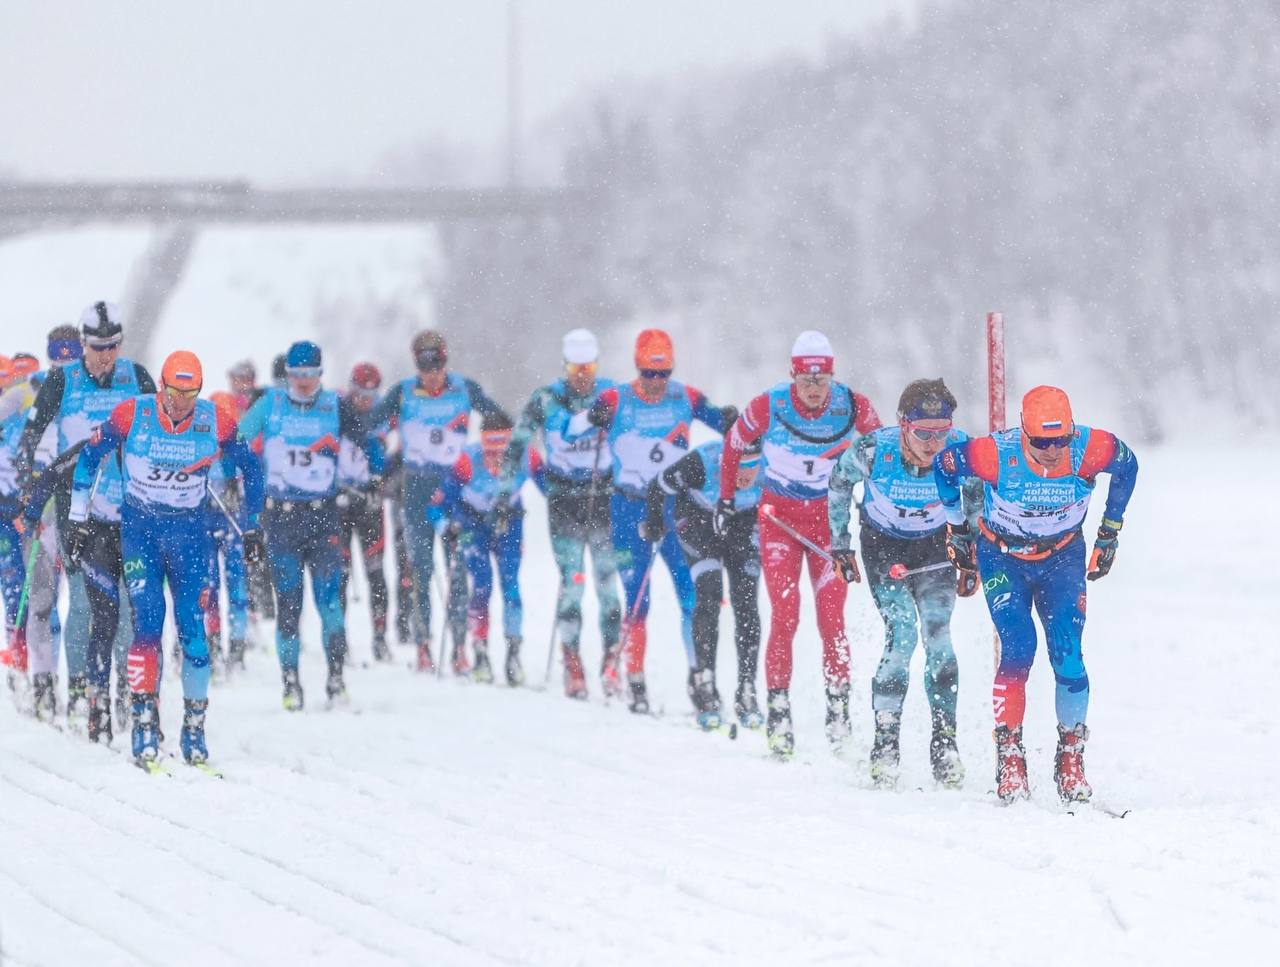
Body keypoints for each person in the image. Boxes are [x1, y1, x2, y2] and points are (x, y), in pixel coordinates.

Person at [934, 385, 1138, 804]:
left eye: (1060, 440)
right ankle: (1010, 754)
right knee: (1018, 647)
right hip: (1002, 557)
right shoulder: (995, 454)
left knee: (1068, 654)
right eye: (1042, 443)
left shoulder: (1091, 447)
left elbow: (1128, 465)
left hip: (1062, 558)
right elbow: (944, 465)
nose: (1052, 451)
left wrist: (1110, 532)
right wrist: (956, 528)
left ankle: (1071, 755)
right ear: (1024, 433)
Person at [69, 351, 264, 765]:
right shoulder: (132, 414)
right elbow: (88, 457)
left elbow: (252, 467)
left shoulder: (215, 420)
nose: (180, 404)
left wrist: (252, 526)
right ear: (161, 386)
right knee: (148, 625)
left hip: (189, 538)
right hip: (141, 534)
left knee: (193, 631)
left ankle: (194, 729)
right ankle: (143, 723)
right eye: (174, 393)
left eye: (190, 395)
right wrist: (77, 517)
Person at [719, 330, 882, 758]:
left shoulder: (853, 405)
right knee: (785, 614)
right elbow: (733, 445)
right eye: (806, 380)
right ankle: (778, 714)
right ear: (793, 376)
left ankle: (838, 712)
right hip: (780, 524)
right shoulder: (769, 404)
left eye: (821, 380)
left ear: (832, 377)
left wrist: (881, 503)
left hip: (829, 527)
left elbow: (885, 452)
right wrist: (725, 500)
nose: (813, 389)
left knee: (832, 620)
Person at [566, 328, 737, 714]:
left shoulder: (686, 397)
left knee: (691, 597)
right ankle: (636, 681)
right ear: (637, 368)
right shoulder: (616, 398)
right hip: (628, 511)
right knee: (637, 601)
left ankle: (699, 677)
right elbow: (571, 431)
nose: (657, 382)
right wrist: (591, 415)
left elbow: (730, 428)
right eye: (649, 374)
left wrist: (731, 417)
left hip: (677, 510)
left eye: (663, 374)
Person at [828, 378, 981, 788]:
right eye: (923, 433)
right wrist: (840, 545)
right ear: (902, 425)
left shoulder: (959, 450)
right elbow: (839, 483)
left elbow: (976, 497)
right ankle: (885, 744)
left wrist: (973, 555)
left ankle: (945, 743)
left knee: (939, 636)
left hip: (935, 547)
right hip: (884, 547)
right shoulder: (873, 450)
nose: (933, 443)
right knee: (902, 634)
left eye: (941, 432)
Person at [16, 303, 156, 733]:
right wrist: (30, 488)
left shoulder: (137, 377)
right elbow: (30, 437)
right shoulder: (63, 380)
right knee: (81, 602)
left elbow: (162, 430)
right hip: (77, 509)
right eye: (97, 347)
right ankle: (80, 687)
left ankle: (125, 688)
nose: (105, 356)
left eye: (112, 346)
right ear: (83, 344)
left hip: (129, 507)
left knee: (128, 606)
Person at [238, 340, 369, 710]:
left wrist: (373, 475)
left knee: (330, 604)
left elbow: (366, 440)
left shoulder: (334, 405)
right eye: (296, 375)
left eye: (310, 374)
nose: (303, 382)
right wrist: (237, 472)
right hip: (282, 518)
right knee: (289, 605)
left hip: (323, 516)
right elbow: (237, 437)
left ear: (320, 374)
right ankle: (291, 683)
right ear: (288, 375)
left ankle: (336, 679)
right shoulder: (271, 404)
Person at [367, 331, 508, 673]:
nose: (432, 374)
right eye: (425, 366)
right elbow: (367, 426)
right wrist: (377, 461)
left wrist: (501, 450)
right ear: (416, 363)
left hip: (454, 486)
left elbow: (500, 419)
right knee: (420, 569)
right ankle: (423, 645)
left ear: (446, 360)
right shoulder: (403, 392)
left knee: (457, 569)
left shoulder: (464, 388)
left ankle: (459, 646)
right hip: (416, 487)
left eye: (438, 364)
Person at [496, 329, 622, 698]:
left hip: (604, 498)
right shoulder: (545, 399)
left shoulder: (612, 394)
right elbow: (516, 447)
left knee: (607, 584)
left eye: (589, 368)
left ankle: (612, 658)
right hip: (565, 502)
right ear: (564, 366)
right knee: (573, 583)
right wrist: (504, 495)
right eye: (575, 369)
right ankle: (572, 659)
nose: (582, 376)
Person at [644, 437, 764, 729]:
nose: (746, 474)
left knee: (746, 602)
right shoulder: (701, 462)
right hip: (699, 521)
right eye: (739, 464)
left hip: (743, 521)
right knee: (709, 595)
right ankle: (705, 685)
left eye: (752, 465)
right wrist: (655, 521)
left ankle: (747, 688)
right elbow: (658, 485)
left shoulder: (773, 460)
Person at [436, 412, 545, 683]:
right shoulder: (466, 461)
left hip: (509, 524)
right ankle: (480, 651)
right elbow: (436, 505)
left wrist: (572, 505)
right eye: (491, 452)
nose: (497, 460)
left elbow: (552, 492)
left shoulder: (528, 457)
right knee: (482, 584)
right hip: (473, 525)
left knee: (511, 586)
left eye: (504, 452)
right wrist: (446, 526)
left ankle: (513, 653)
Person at [338, 362, 392, 662]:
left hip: (370, 502)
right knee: (341, 573)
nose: (364, 401)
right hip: (340, 501)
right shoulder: (338, 409)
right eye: (359, 393)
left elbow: (386, 448)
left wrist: (381, 478)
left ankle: (380, 637)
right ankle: (339, 639)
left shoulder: (382, 412)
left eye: (371, 395)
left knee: (376, 571)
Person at [203, 390, 252, 674]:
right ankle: (212, 643)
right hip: (206, 523)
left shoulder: (240, 443)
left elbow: (255, 474)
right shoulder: (201, 442)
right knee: (209, 587)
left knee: (238, 587)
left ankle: (237, 646)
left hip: (234, 522)